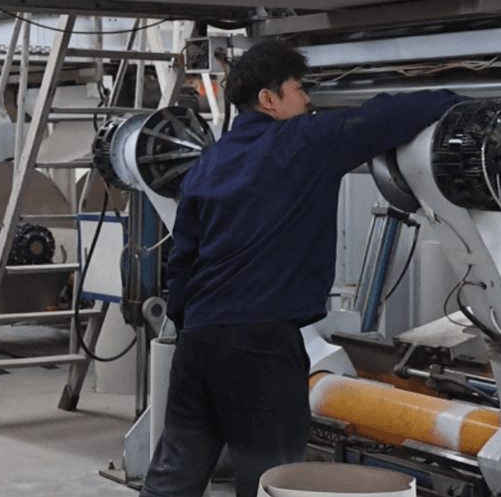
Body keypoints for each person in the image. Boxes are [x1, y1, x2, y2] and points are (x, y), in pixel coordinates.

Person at [140, 39, 465, 497]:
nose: (308, 100)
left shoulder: (209, 163)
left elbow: (182, 261)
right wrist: (461, 103)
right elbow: (385, 116)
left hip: (198, 342)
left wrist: (190, 323)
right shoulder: (303, 142)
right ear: (269, 99)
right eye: (298, 89)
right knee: (271, 477)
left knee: (177, 470)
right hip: (262, 346)